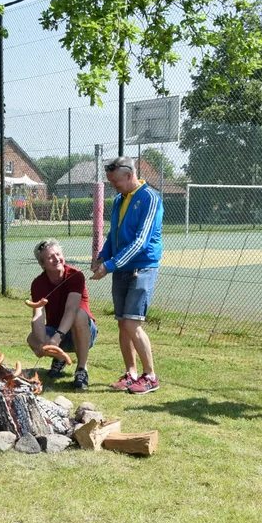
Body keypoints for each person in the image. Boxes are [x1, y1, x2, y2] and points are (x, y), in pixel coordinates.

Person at [91, 156, 163, 395]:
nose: (113, 185)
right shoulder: (119, 200)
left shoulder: (149, 198)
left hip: (141, 268)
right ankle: (131, 374)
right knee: (123, 324)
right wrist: (103, 256)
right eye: (110, 182)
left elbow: (141, 240)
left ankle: (150, 376)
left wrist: (109, 265)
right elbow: (114, 233)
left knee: (132, 323)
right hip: (120, 267)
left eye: (115, 181)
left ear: (129, 175)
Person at [27, 239, 97, 390]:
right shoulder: (38, 283)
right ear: (42, 264)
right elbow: (38, 315)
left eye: (58, 254)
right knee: (32, 338)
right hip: (56, 332)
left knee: (78, 314)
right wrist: (41, 343)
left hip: (82, 331)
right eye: (50, 257)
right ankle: (60, 358)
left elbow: (71, 309)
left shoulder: (75, 275)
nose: (57, 259)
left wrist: (57, 337)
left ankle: (82, 369)